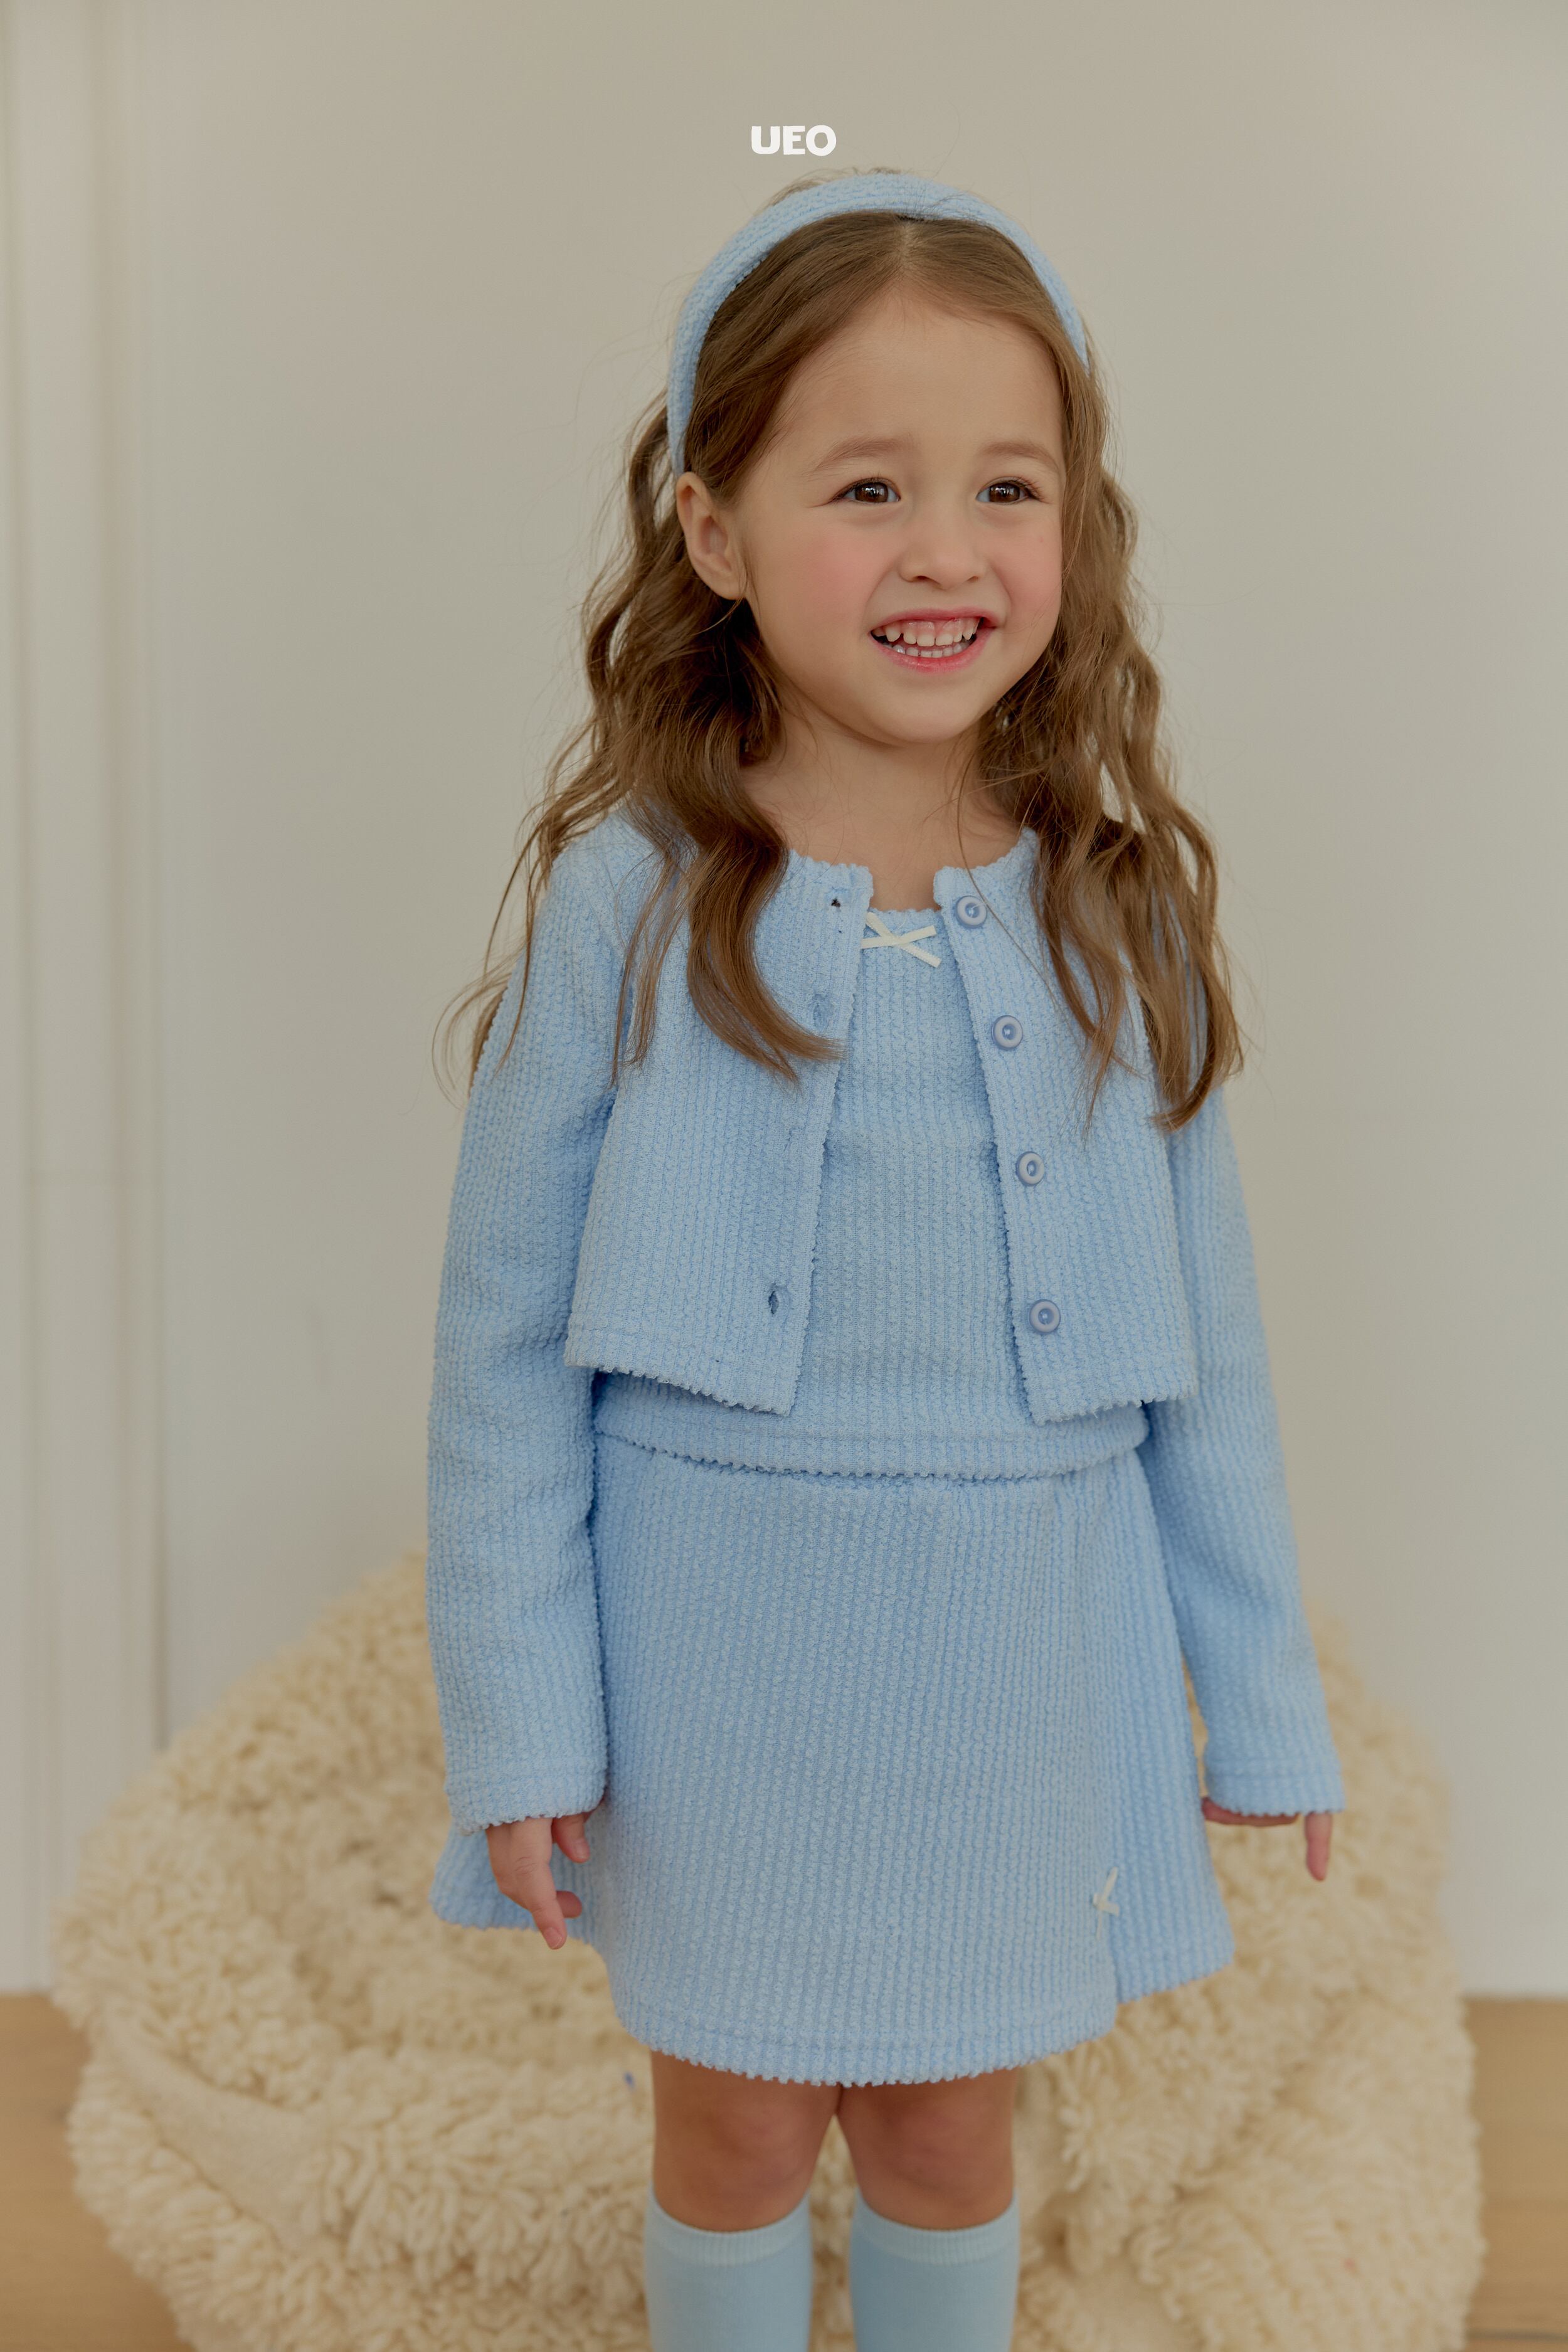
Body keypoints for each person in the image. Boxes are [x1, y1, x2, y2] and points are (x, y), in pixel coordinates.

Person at [422, 168, 1346, 2352]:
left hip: (1021, 1648)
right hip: (721, 1645)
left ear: (1074, 529)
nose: (946, 550)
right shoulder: (633, 900)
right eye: (866, 489)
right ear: (714, 533)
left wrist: (1263, 1701)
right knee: (738, 2121)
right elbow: (502, 1359)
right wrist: (523, 1729)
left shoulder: (1113, 911)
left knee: (945, 2128)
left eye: (1005, 488)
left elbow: (1206, 1362)